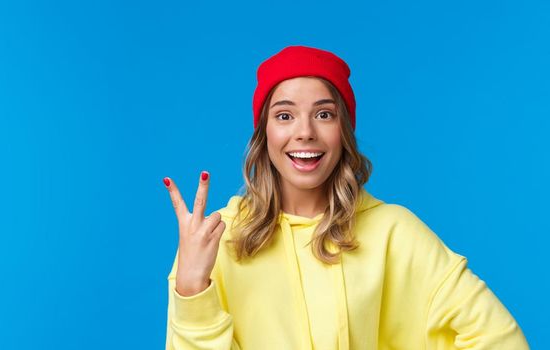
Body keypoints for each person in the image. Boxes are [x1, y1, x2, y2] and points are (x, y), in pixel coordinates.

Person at [162, 45, 529, 350]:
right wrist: (191, 291)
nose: (305, 132)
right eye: (285, 115)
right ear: (265, 134)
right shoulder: (215, 238)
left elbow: (501, 340)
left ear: (344, 131)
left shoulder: (394, 232)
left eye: (324, 114)